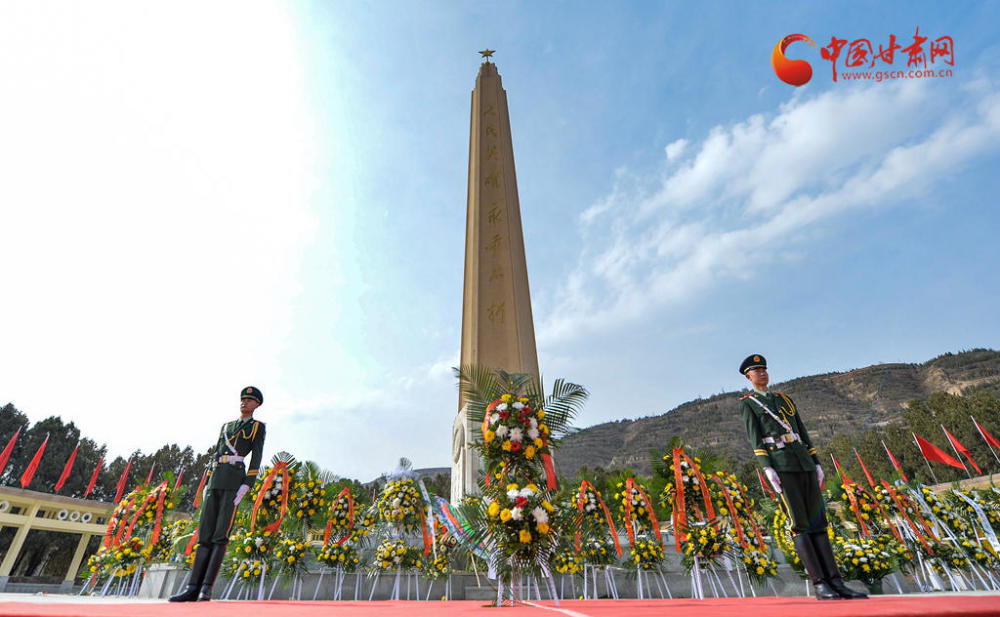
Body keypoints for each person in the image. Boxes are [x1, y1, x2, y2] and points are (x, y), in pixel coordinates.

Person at [738, 355, 866, 600]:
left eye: (764, 369)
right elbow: (755, 438)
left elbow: (802, 432)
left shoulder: (784, 400)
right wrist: (767, 468)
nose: (762, 373)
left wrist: (816, 462)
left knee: (819, 523)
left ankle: (836, 582)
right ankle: (820, 584)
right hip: (782, 466)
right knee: (800, 524)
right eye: (757, 371)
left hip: (804, 463)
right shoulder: (749, 404)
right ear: (748, 377)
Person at [170, 386, 266, 602]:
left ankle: (206, 588)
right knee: (204, 534)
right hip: (216, 479)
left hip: (234, 481)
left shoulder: (257, 427)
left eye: (250, 400)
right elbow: (216, 454)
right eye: (243, 399)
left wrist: (247, 484)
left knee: (220, 535)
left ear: (256, 405)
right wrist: (207, 482)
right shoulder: (226, 426)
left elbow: (257, 457)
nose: (245, 403)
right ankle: (192, 587)